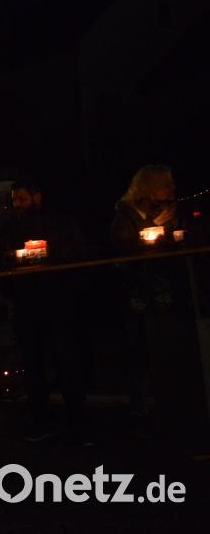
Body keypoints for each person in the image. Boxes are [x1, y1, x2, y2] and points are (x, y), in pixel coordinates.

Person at [0, 178, 88, 444]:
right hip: (27, 305)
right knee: (33, 367)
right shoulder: (10, 228)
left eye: (21, 199)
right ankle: (42, 423)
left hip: (58, 304)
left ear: (37, 196)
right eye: (14, 200)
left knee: (67, 363)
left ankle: (77, 424)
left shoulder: (62, 223)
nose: (17, 205)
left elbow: (76, 255)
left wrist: (48, 260)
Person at [110, 166, 194, 431]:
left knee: (166, 344)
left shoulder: (168, 211)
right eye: (166, 185)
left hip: (164, 290)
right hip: (136, 293)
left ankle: (172, 402)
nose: (171, 191)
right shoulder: (125, 216)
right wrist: (155, 228)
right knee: (139, 350)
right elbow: (122, 248)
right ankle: (140, 408)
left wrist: (172, 233)